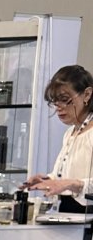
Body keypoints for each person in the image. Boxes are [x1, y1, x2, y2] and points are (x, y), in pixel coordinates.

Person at [25, 65, 93, 200]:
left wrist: (72, 184)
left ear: (87, 94)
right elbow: (64, 176)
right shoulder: (70, 133)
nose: (59, 107)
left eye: (64, 99)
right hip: (67, 210)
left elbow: (71, 182)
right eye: (55, 101)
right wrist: (48, 180)